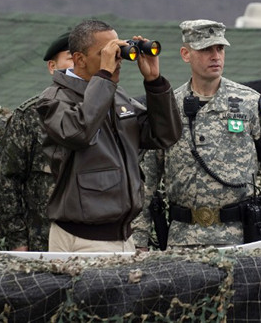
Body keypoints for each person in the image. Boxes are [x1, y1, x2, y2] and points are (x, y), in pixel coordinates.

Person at [135, 20, 261, 250]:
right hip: (183, 241)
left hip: (241, 240)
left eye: (220, 49)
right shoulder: (167, 107)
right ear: (186, 54)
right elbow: (147, 179)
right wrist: (139, 239)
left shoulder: (251, 102)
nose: (216, 56)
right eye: (206, 49)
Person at [35, 19, 182, 253]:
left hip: (123, 236)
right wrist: (104, 76)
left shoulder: (116, 95)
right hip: (81, 239)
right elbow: (78, 132)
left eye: (117, 50)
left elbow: (165, 135)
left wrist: (154, 82)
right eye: (107, 53)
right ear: (79, 60)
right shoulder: (54, 99)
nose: (116, 59)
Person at [0, 32, 74, 252]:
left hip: (93, 240)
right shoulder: (30, 116)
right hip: (42, 243)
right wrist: (17, 240)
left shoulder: (104, 110)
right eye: (71, 57)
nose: (78, 64)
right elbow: (7, 181)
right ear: (52, 67)